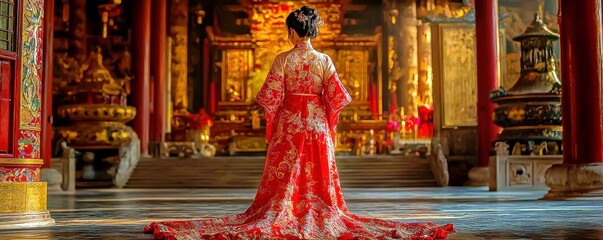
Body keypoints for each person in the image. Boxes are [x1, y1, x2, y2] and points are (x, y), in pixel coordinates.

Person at [144, 6, 454, 239]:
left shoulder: (283, 59)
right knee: (318, 174)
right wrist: (324, 117)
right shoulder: (325, 61)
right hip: (317, 126)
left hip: (290, 125)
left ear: (293, 31)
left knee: (286, 173)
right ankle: (320, 210)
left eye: (288, 30)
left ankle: (284, 209)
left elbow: (268, 96)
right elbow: (337, 98)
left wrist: (278, 113)